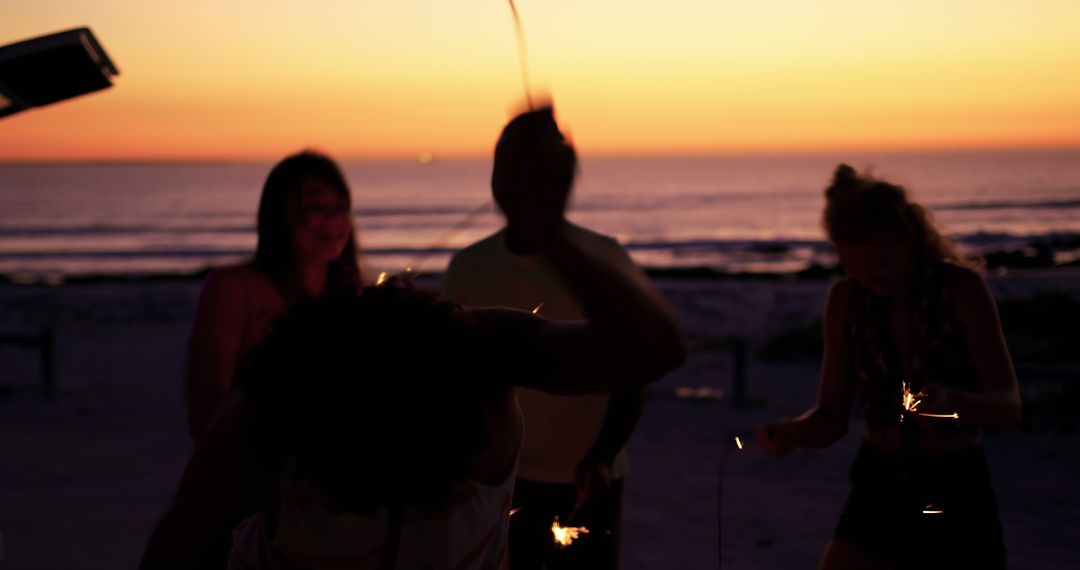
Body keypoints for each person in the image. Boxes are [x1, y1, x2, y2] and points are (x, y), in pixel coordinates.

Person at [138, 111, 686, 570]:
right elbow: (654, 348)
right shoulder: (476, 375)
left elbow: (174, 546)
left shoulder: (270, 412)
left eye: (338, 209)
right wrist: (549, 230)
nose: (402, 293)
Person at [756, 164, 1021, 569]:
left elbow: (1008, 407)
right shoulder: (846, 300)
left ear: (909, 239)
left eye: (878, 267)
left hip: (953, 481)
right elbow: (831, 415)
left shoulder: (961, 290)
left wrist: (952, 403)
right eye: (855, 270)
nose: (868, 281)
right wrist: (793, 432)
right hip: (879, 481)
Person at [444, 106, 647, 569]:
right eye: (512, 167)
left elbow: (635, 374)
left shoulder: (606, 260)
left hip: (590, 479)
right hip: (496, 481)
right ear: (496, 179)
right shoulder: (468, 268)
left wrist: (601, 454)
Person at [186, 150, 362, 439]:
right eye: (316, 206)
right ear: (281, 214)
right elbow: (206, 411)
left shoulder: (349, 298)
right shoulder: (232, 289)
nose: (334, 219)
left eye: (341, 207)